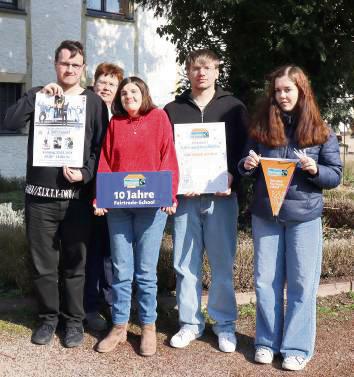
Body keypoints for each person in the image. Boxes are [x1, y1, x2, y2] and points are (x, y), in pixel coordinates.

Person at [4, 40, 108, 348]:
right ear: (55, 64)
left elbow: (100, 149)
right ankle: (48, 319)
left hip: (76, 200)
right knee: (43, 265)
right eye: (65, 64)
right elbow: (9, 121)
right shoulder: (40, 95)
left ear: (83, 69)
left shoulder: (93, 102)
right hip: (40, 198)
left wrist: (86, 174)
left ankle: (73, 322)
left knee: (76, 264)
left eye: (76, 65)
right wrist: (36, 97)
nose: (70, 69)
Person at [238, 65, 342, 371]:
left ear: (301, 92)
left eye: (288, 90)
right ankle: (266, 342)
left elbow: (334, 175)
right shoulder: (261, 127)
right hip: (266, 215)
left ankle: (296, 347)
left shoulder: (321, 131)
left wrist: (315, 170)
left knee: (301, 283)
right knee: (264, 282)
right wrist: (247, 163)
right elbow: (243, 167)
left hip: (304, 218)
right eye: (278, 90)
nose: (282, 95)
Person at [164, 49, 248, 352]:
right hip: (186, 199)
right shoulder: (172, 109)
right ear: (188, 72)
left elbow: (245, 151)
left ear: (217, 72)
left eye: (208, 68)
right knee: (185, 264)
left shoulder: (234, 107)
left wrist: (234, 178)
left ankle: (224, 325)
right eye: (196, 68)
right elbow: (164, 155)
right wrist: (173, 185)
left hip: (222, 198)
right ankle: (190, 323)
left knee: (222, 264)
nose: (202, 73)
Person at [94, 76, 179, 357]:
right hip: (118, 206)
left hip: (151, 207)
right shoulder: (115, 124)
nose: (128, 96)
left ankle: (148, 327)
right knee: (120, 269)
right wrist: (100, 196)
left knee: (145, 272)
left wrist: (170, 194)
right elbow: (105, 159)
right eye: (124, 93)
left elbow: (168, 156)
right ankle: (118, 327)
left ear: (143, 93)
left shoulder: (158, 118)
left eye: (133, 91)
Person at [84, 62, 124, 331]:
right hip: (86, 193)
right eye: (103, 81)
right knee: (91, 251)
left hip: (117, 194)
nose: (107, 86)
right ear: (94, 83)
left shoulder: (123, 115)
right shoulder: (83, 108)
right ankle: (88, 307)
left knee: (112, 253)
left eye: (112, 83)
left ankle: (112, 305)